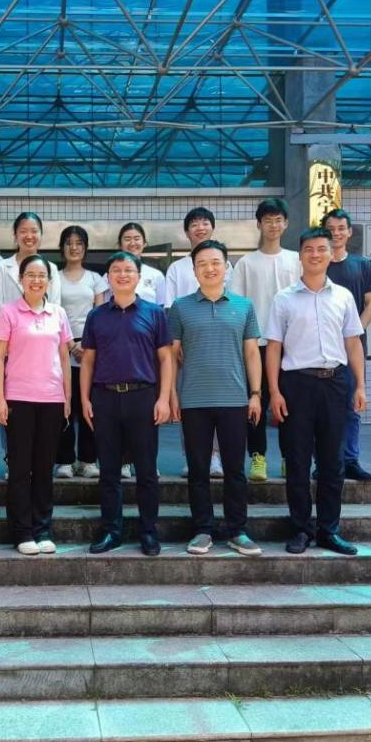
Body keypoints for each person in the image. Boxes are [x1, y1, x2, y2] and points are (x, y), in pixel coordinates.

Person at [265, 228, 366, 556]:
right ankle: (300, 529)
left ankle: (329, 530)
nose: (315, 254)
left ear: (331, 253)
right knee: (296, 460)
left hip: (335, 383)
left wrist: (360, 385)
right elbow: (273, 347)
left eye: (321, 249)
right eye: (308, 249)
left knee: (332, 461)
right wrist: (274, 392)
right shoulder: (283, 299)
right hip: (297, 385)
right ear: (300, 255)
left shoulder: (343, 297)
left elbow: (353, 342)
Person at [170, 240, 263, 557]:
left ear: (226, 267)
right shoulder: (180, 307)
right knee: (198, 470)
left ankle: (238, 530)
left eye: (215, 262)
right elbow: (172, 355)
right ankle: (202, 530)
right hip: (193, 400)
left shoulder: (244, 306)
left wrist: (255, 393)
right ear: (194, 270)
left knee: (235, 469)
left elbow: (252, 353)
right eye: (202, 263)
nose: (209, 268)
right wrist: (171, 394)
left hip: (234, 399)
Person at [81, 251, 173, 556]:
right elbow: (88, 361)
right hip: (105, 397)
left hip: (142, 396)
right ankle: (112, 531)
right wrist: (85, 399)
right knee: (109, 470)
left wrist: (164, 398)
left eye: (128, 270)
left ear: (138, 276)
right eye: (116, 270)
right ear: (108, 277)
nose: (122, 275)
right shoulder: (96, 316)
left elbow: (166, 359)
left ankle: (149, 531)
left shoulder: (154, 313)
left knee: (146, 470)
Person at [0, 255, 73, 555]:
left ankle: (42, 529)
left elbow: (64, 357)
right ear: (21, 279)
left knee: (43, 468)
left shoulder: (58, 313)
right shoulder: (8, 312)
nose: (36, 280)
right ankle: (22, 531)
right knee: (19, 468)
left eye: (42, 276)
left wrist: (67, 398)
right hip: (18, 399)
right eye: (31, 275)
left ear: (49, 281)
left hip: (51, 399)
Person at [229, 198, 301, 482]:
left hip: (292, 344)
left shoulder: (296, 260)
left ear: (286, 224)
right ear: (258, 224)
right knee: (256, 401)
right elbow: (237, 305)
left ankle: (288, 457)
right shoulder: (246, 263)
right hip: (257, 345)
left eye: (278, 220)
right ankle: (257, 457)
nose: (273, 225)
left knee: (290, 404)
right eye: (267, 220)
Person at [166, 209, 230, 479]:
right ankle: (190, 457)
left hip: (219, 343)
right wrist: (175, 343)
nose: (200, 228)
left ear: (212, 227)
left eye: (205, 223)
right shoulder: (177, 268)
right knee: (189, 404)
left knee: (220, 402)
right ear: (186, 231)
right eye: (194, 224)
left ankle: (216, 457)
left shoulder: (226, 265)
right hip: (187, 344)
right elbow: (169, 307)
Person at [322, 208, 371, 482]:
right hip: (322, 349)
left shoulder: (362, 265)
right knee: (323, 410)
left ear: (349, 232)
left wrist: (353, 331)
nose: (336, 233)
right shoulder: (317, 264)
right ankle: (324, 461)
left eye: (340, 228)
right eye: (330, 229)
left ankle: (351, 460)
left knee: (352, 405)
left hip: (352, 347)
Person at [107, 223, 165, 479]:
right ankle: (123, 461)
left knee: (146, 417)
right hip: (117, 351)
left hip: (146, 351)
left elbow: (163, 308)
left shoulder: (156, 276)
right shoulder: (112, 275)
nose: (132, 242)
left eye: (137, 238)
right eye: (127, 238)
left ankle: (145, 461)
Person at [55, 225, 105, 479]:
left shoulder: (95, 279)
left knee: (89, 405)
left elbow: (100, 314)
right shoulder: (54, 277)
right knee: (64, 404)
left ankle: (87, 459)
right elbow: (52, 311)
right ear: (62, 247)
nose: (73, 247)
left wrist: (86, 343)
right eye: (69, 242)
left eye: (79, 243)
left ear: (85, 248)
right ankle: (64, 460)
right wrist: (68, 345)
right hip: (60, 348)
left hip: (90, 349)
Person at [0, 212, 62, 306]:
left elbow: (55, 307)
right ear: (15, 236)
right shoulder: (2, 268)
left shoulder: (52, 269)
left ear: (41, 235)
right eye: (23, 231)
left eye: (34, 231)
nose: (29, 236)